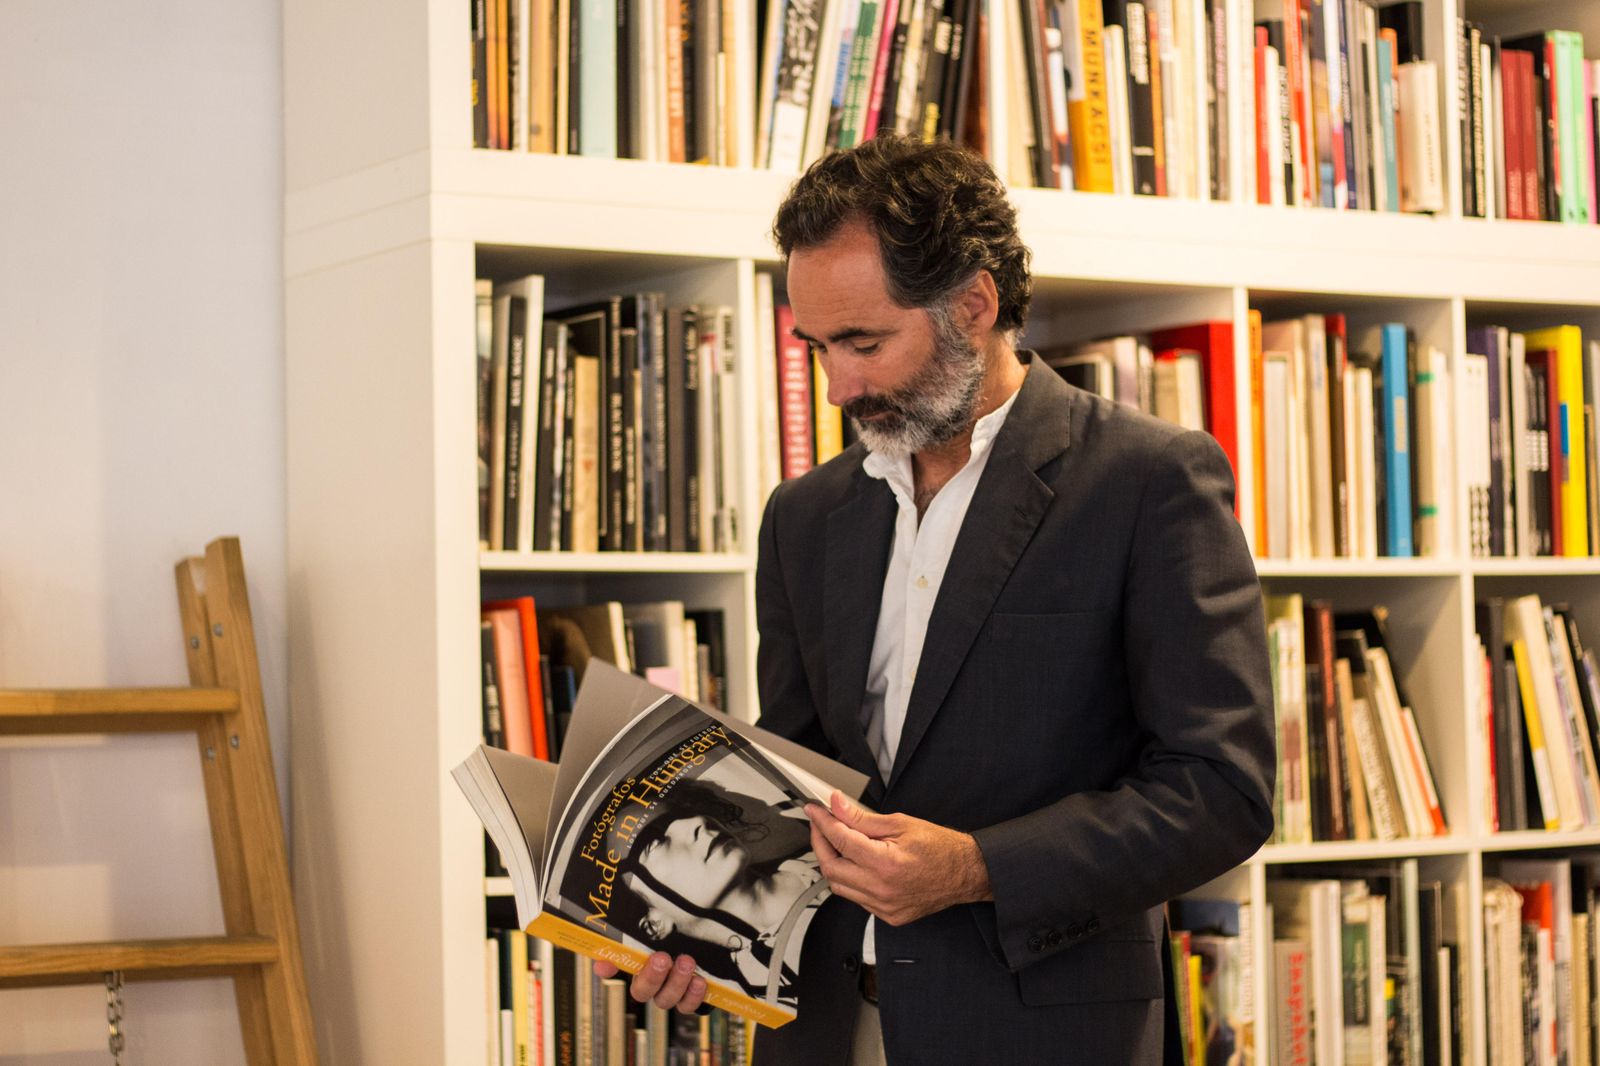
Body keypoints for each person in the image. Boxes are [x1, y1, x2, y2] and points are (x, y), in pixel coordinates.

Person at [603, 133, 1276, 1065]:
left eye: (865, 342)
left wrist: (975, 869)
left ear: (973, 302)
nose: (839, 385)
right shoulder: (804, 516)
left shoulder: (1148, 481)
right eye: (818, 347)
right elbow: (801, 786)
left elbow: (1222, 790)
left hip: (1041, 1034)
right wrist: (691, 928)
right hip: (824, 1029)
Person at [605, 776, 828, 1005]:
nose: (696, 823)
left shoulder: (825, 845)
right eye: (654, 843)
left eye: (681, 813)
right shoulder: (759, 992)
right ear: (654, 924)